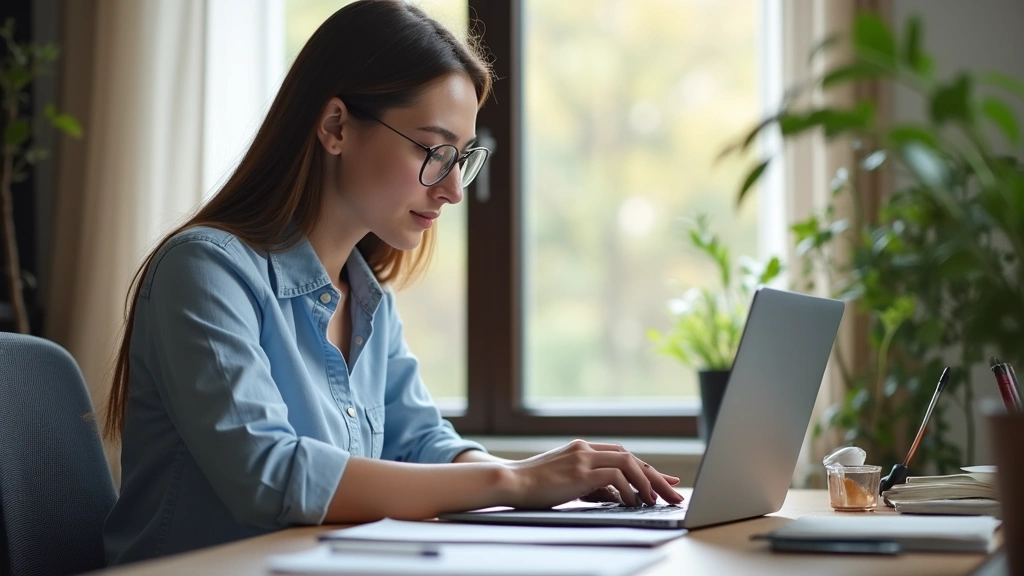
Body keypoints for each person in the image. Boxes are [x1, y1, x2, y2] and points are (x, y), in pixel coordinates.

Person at [102, 0, 684, 565]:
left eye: (463, 158)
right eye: (435, 151)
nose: (454, 190)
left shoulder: (367, 295)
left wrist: (548, 490)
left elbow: (423, 443)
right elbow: (268, 477)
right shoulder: (204, 271)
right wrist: (513, 479)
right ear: (336, 126)